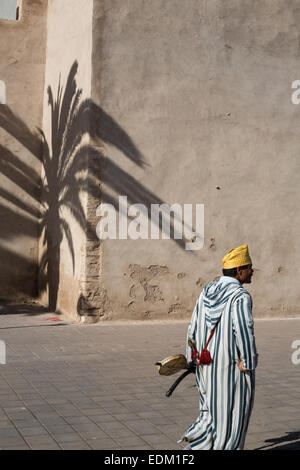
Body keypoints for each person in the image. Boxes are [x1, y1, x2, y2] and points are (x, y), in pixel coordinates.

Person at [179, 244, 258, 450]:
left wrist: (192, 357)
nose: (252, 271)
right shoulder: (240, 296)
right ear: (239, 270)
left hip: (205, 366)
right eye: (249, 267)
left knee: (210, 414)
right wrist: (248, 362)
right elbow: (243, 330)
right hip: (231, 368)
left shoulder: (207, 290)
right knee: (234, 417)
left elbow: (193, 325)